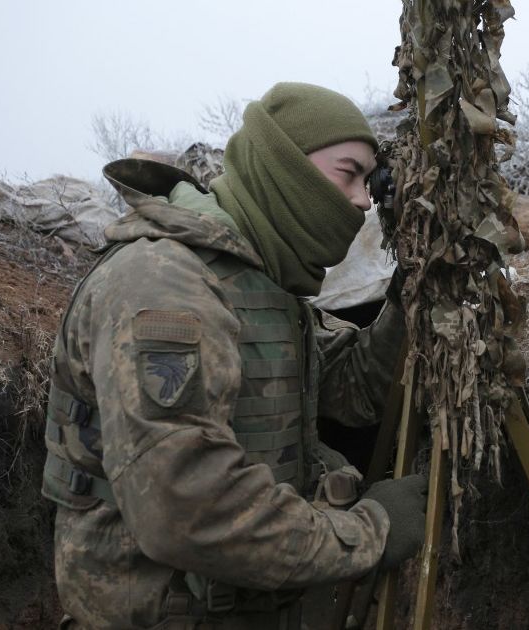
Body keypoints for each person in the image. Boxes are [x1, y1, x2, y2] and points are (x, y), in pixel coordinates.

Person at [40, 82, 428, 629]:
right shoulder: (165, 287)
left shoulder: (260, 283)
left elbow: (353, 388)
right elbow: (186, 508)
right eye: (349, 174)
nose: (364, 201)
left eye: (370, 181)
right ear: (284, 169)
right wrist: (371, 531)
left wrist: (411, 296)